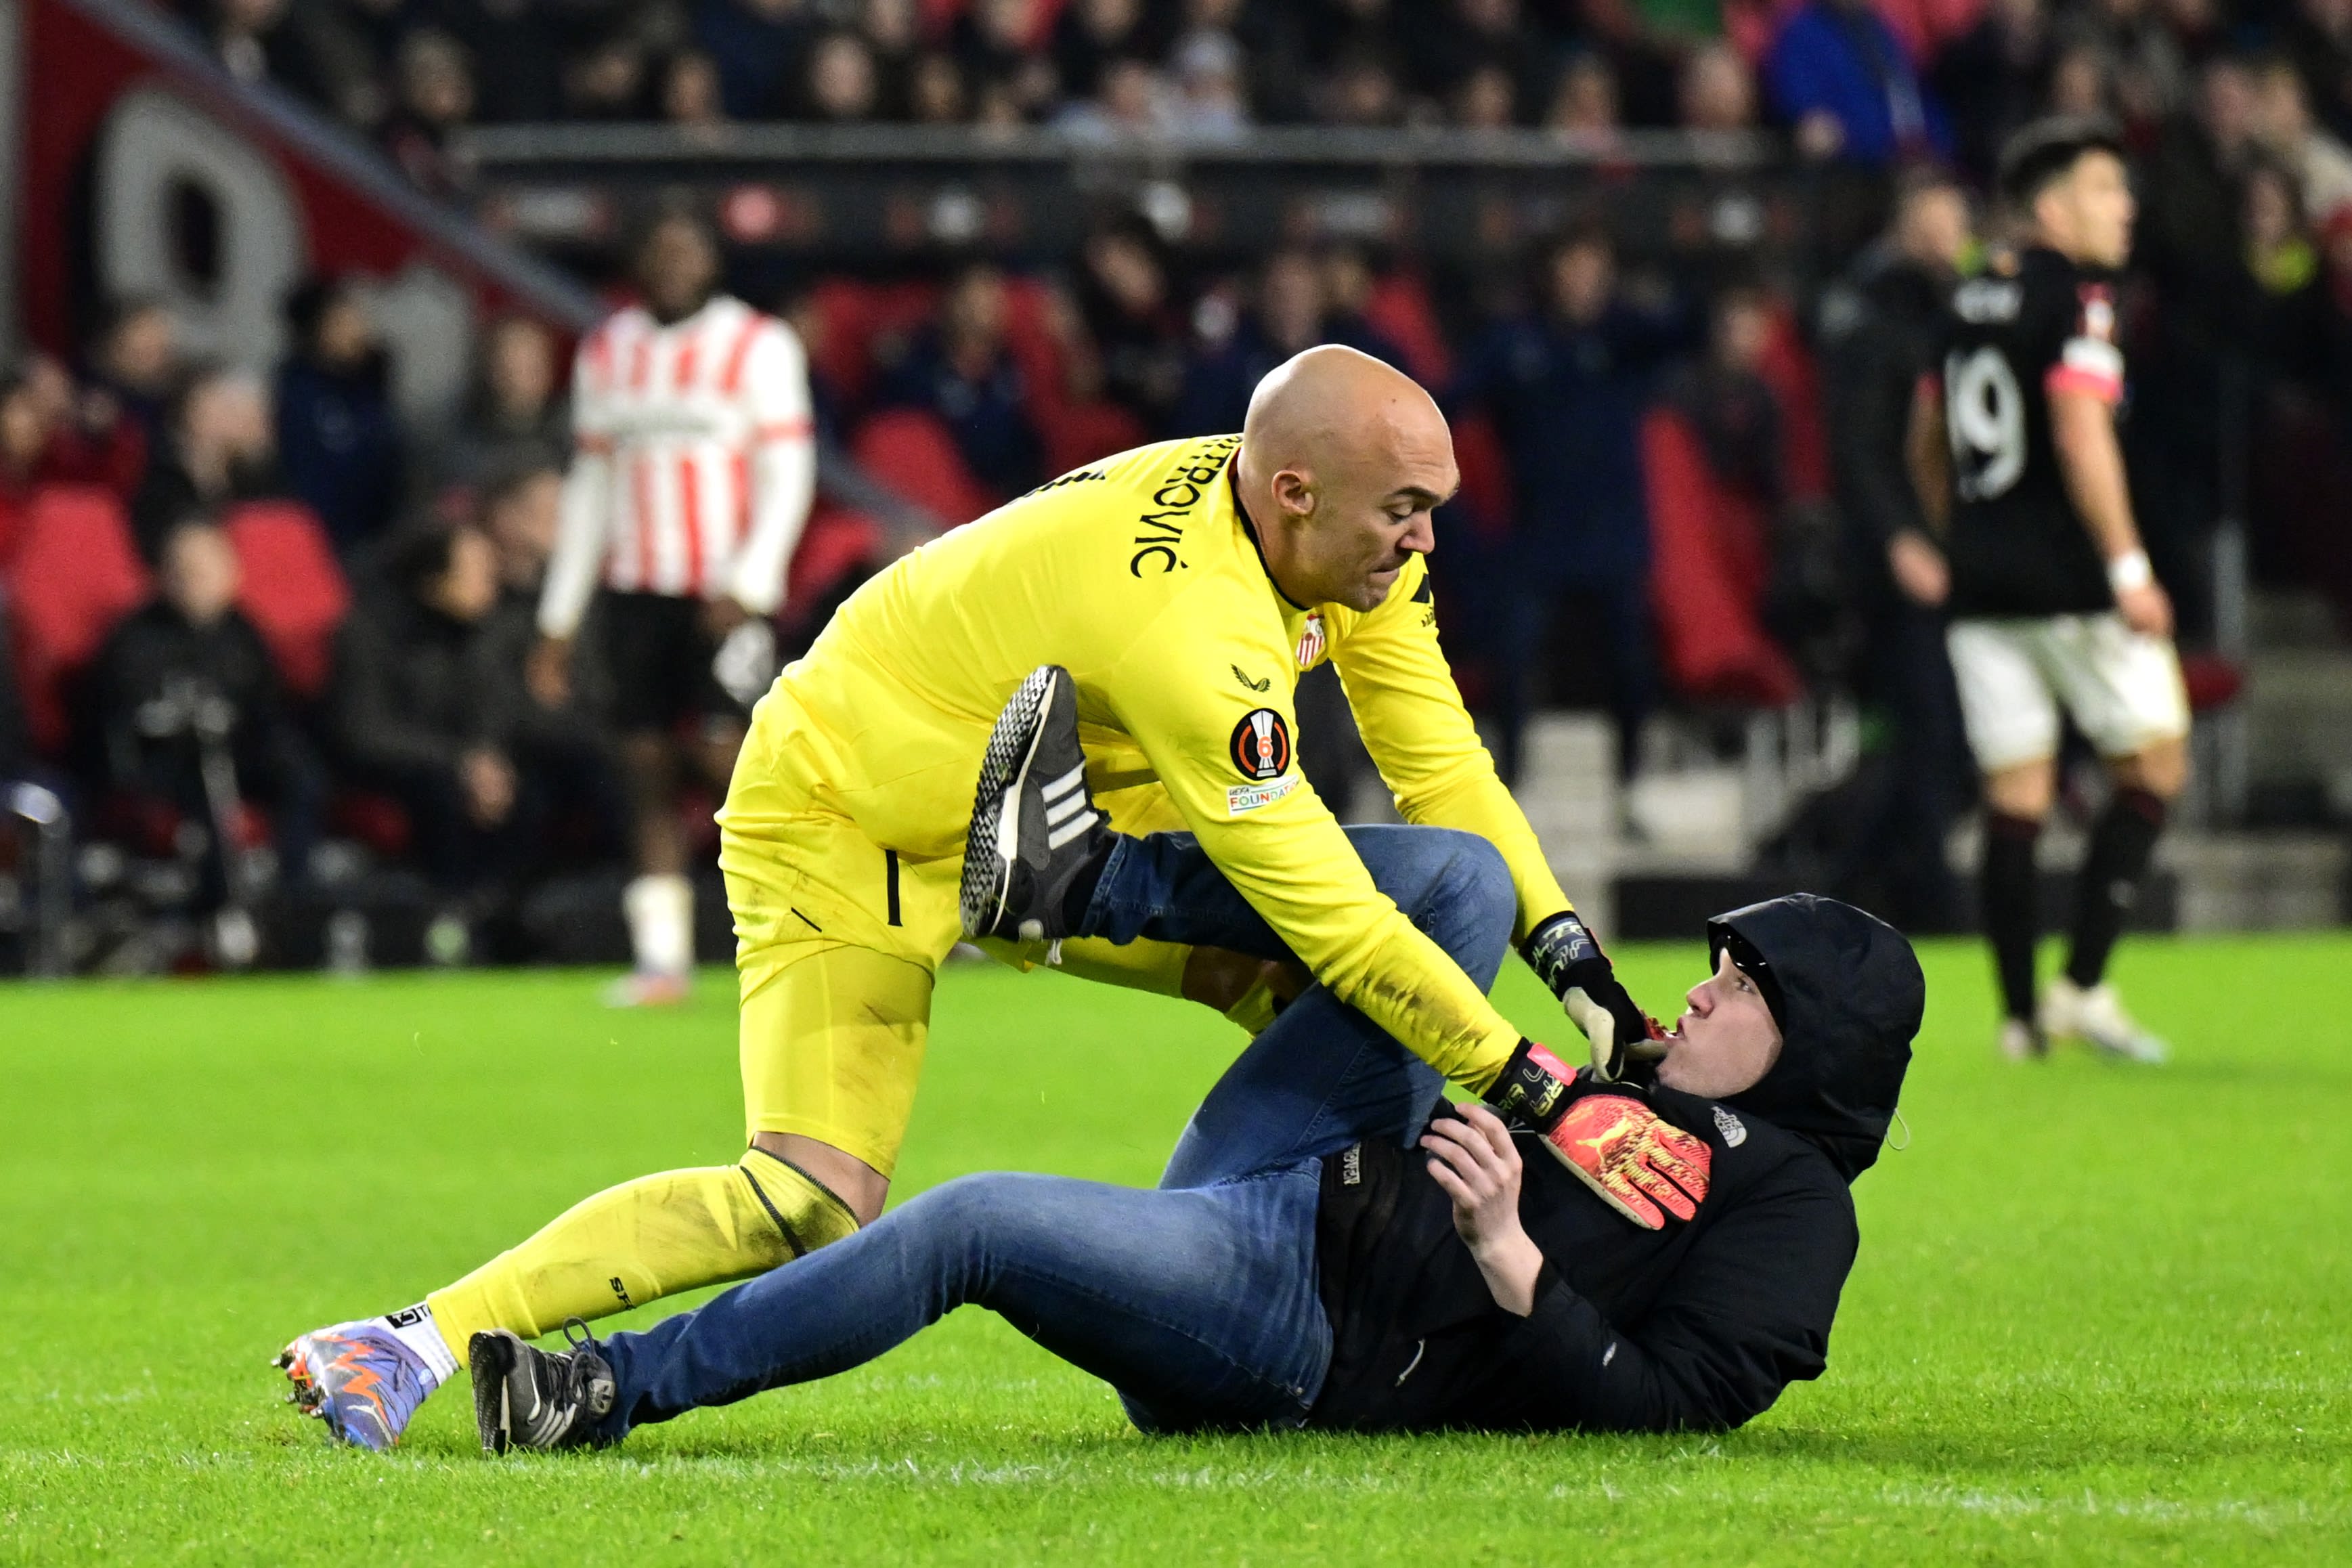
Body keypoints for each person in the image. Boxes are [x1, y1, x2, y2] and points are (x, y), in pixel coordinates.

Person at [276, 346, 1655, 1451]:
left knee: (1442, 904)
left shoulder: (1332, 540)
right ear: (1295, 490)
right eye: (1401, 512)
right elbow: (1342, 916)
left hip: (1028, 822)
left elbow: (1440, 762)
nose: (1421, 543)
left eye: (1432, 512)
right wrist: (1536, 1083)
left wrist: (1573, 956)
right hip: (844, 815)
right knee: (808, 1203)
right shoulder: (1193, 625)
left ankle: (1293, 1264)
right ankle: (411, 1342)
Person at [469, 880, 1919, 1450]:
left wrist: (1513, 1261)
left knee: (972, 1220)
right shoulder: (1629, 1076)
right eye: (1719, 966)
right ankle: (1063, 882)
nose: (1710, 989)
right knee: (1458, 886)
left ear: (1815, 1045)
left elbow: (1677, 1411)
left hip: (1300, 1321)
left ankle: (606, 1389)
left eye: (1748, 984)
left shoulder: (1792, 1206)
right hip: (1311, 1162)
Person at [1907, 117, 2187, 1063]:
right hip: (2070, 582)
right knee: (2154, 767)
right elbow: (2078, 430)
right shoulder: (2079, 298)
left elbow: (1927, 436)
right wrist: (2129, 570)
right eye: (2106, 189)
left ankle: (2020, 1021)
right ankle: (2080, 988)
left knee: (2015, 796)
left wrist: (1960, 535)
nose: (2125, 208)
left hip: (1980, 585)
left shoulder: (1965, 299)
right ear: (2052, 203)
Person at [529, 211, 818, 1007]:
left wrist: (754, 580)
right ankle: (663, 963)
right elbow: (590, 490)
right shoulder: (608, 351)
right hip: (633, 592)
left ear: (711, 258)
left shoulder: (757, 344)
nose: (673, 261)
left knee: (737, 764)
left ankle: (801, 928)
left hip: (721, 594)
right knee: (644, 768)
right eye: (659, 246)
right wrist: (559, 617)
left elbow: (788, 471)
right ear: (638, 258)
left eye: (687, 246)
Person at [1452, 225, 1691, 783]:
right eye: (1573, 267)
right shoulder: (1514, 343)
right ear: (1549, 273)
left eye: (1594, 269)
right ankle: (1509, 778)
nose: (1584, 282)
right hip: (1537, 534)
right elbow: (1450, 400)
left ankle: (1630, 783)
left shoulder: (1625, 338)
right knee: (1511, 658)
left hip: (1613, 534)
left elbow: (1687, 328)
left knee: (1630, 663)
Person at [1816, 170, 1975, 931]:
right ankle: (1935, 903)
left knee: (1935, 739)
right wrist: (1899, 542)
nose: (1955, 232)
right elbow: (1860, 449)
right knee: (1930, 733)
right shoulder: (1876, 318)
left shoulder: (1953, 315)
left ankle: (1834, 895)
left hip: (1950, 559)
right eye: (1941, 216)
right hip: (1897, 569)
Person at [84, 518, 324, 952]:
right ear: (163, 575)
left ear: (233, 574)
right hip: (169, 766)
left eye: (208, 569)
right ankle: (217, 914)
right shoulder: (135, 636)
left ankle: (293, 901)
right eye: (186, 569)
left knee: (301, 777)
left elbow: (268, 708)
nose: (197, 581)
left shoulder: (244, 633)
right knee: (208, 800)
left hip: (237, 753)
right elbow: (123, 714)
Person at [275, 278, 404, 554]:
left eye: (357, 319)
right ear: (314, 332)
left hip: (383, 534)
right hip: (333, 541)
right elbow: (307, 476)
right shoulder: (297, 395)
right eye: (341, 324)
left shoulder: (374, 382)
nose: (357, 332)